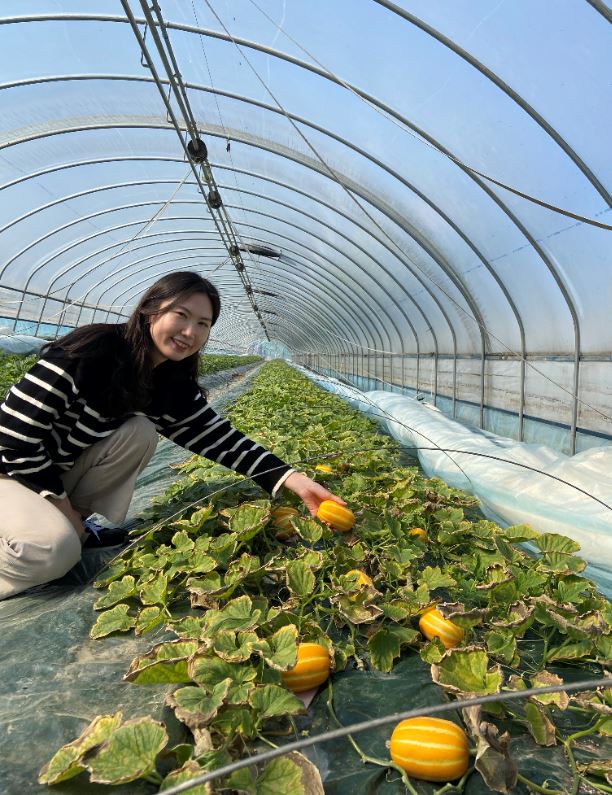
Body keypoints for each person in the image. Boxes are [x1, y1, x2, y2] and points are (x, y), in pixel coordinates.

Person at [0, 271, 344, 600]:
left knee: (140, 430)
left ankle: (70, 524)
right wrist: (59, 505)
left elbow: (216, 437)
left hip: (47, 475)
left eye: (203, 324)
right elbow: (13, 437)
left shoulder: (166, 380)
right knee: (54, 552)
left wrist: (292, 479)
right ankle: (58, 531)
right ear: (151, 310)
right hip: (8, 471)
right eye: (181, 315)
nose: (189, 332)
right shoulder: (90, 352)